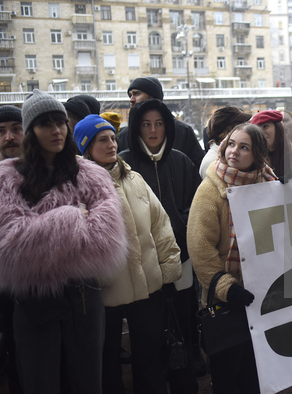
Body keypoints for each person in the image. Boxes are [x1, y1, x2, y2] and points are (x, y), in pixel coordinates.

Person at [0, 90, 128, 394]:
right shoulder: (6, 177)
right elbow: (10, 247)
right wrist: (72, 217)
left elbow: (106, 240)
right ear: (31, 131)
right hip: (34, 303)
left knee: (87, 381)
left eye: (60, 122)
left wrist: (39, 231)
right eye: (45, 124)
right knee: (41, 383)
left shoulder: (91, 174)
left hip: (84, 298)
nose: (56, 131)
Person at [73, 114, 183, 394]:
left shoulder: (134, 178)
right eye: (102, 140)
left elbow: (160, 225)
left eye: (112, 137)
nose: (111, 144)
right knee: (107, 360)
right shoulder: (78, 186)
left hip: (147, 284)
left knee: (149, 356)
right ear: (85, 147)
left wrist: (169, 269)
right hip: (105, 288)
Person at [188, 123, 277, 393]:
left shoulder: (269, 184)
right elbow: (200, 247)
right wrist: (227, 287)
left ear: (258, 154)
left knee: (256, 373)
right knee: (228, 375)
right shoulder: (211, 188)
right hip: (227, 301)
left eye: (244, 147)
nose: (233, 151)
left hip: (263, 296)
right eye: (231, 144)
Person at [119, 98, 200, 394]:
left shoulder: (181, 160)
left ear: (167, 126)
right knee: (146, 343)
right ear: (136, 128)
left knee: (182, 333)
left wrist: (178, 225)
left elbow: (197, 209)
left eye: (159, 123)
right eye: (146, 124)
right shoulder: (123, 163)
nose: (153, 130)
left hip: (180, 263)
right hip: (142, 270)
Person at [0, 105, 24, 394]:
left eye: (16, 128)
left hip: (41, 286)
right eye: (1, 130)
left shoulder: (41, 175)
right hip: (3, 291)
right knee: (14, 360)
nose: (9, 136)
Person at [117, 77, 205, 169]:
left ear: (153, 97)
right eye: (130, 95)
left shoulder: (183, 132)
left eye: (136, 94)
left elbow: (198, 169)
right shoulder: (124, 136)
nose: (131, 99)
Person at [200, 105, 252, 179]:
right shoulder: (213, 162)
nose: (246, 127)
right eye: (242, 124)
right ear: (228, 131)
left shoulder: (227, 155)